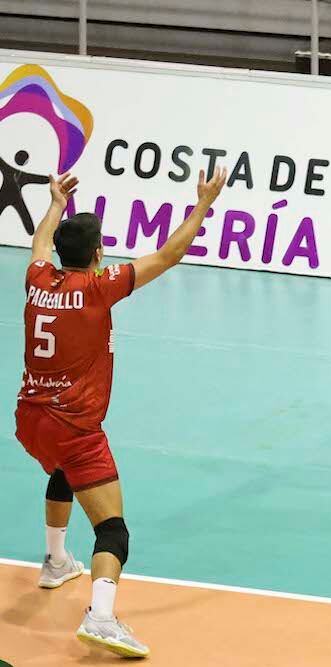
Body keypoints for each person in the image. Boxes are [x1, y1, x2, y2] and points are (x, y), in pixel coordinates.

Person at [15, 167, 227, 658]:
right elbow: (170, 254)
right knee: (113, 529)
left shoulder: (37, 277)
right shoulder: (98, 288)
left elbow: (39, 244)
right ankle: (103, 618)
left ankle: (54, 560)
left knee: (64, 472)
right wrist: (203, 203)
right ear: (97, 255)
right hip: (74, 427)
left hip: (30, 419)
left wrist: (53, 204)